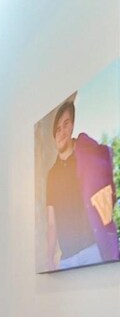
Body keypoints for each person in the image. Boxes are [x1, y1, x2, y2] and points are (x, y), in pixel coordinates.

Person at [46, 100, 119, 270]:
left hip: (94, 249)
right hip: (67, 259)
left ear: (72, 126)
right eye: (57, 129)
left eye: (66, 124)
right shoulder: (52, 175)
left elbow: (108, 158)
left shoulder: (85, 153)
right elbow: (51, 222)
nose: (62, 132)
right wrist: (49, 258)